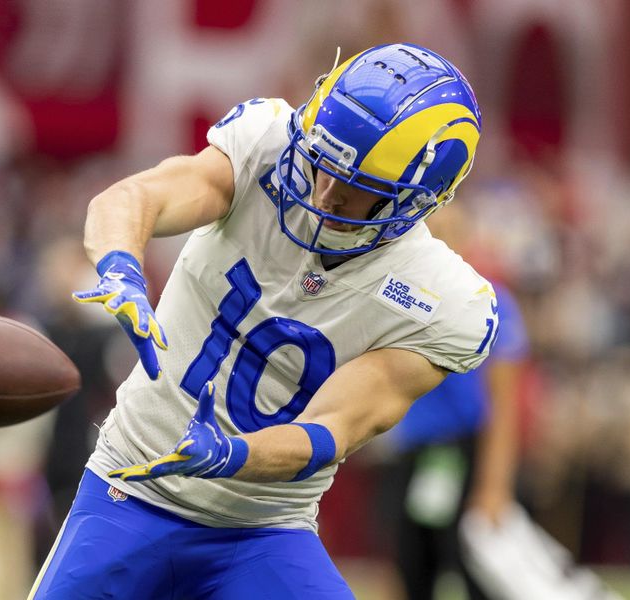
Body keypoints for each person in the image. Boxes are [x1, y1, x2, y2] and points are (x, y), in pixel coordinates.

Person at [28, 43, 495, 599]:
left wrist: (232, 454)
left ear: (418, 200)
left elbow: (332, 429)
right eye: (323, 163)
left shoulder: (441, 297)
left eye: (354, 189)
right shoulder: (266, 146)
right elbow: (137, 196)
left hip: (264, 531)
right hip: (128, 490)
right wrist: (119, 264)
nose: (324, 192)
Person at [374, 279, 528, 600]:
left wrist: (494, 484)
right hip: (414, 452)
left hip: (464, 451)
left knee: (477, 571)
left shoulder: (489, 297)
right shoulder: (402, 288)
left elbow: (503, 403)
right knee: (411, 567)